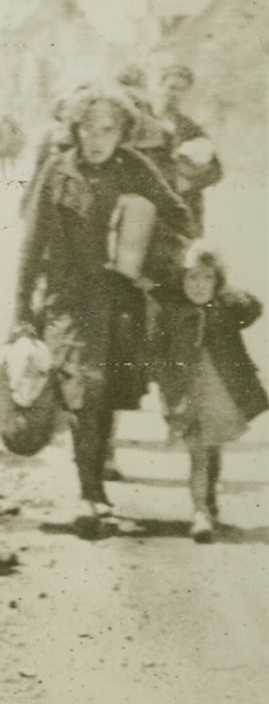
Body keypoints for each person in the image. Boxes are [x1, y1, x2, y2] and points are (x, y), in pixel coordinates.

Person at [14, 84, 195, 537]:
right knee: (84, 388)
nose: (96, 138)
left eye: (107, 129)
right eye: (88, 128)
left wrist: (142, 238)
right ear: (75, 129)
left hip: (120, 300)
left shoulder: (134, 168)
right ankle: (89, 493)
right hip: (67, 298)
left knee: (108, 390)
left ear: (122, 133)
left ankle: (94, 488)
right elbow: (32, 242)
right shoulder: (57, 170)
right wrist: (20, 308)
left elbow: (180, 218)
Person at [150, 244, 268, 542]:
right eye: (191, 278)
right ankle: (200, 511)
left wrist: (226, 290)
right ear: (181, 279)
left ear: (217, 282)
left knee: (212, 449)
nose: (198, 285)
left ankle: (208, 501)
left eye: (206, 278)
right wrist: (167, 383)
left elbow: (252, 308)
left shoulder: (225, 309)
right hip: (186, 390)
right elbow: (156, 350)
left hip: (219, 390)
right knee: (198, 452)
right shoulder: (173, 311)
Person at [156, 63, 223, 234]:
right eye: (171, 87)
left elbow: (216, 171)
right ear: (160, 86)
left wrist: (187, 182)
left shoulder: (191, 128)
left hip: (183, 208)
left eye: (181, 90)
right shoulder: (144, 122)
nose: (175, 94)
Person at [0, 114, 26, 179]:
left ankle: (9, 175)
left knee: (7, 161)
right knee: (7, 161)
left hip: (6, 146)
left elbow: (17, 134)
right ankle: (8, 175)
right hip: (6, 146)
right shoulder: (5, 126)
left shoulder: (5, 126)